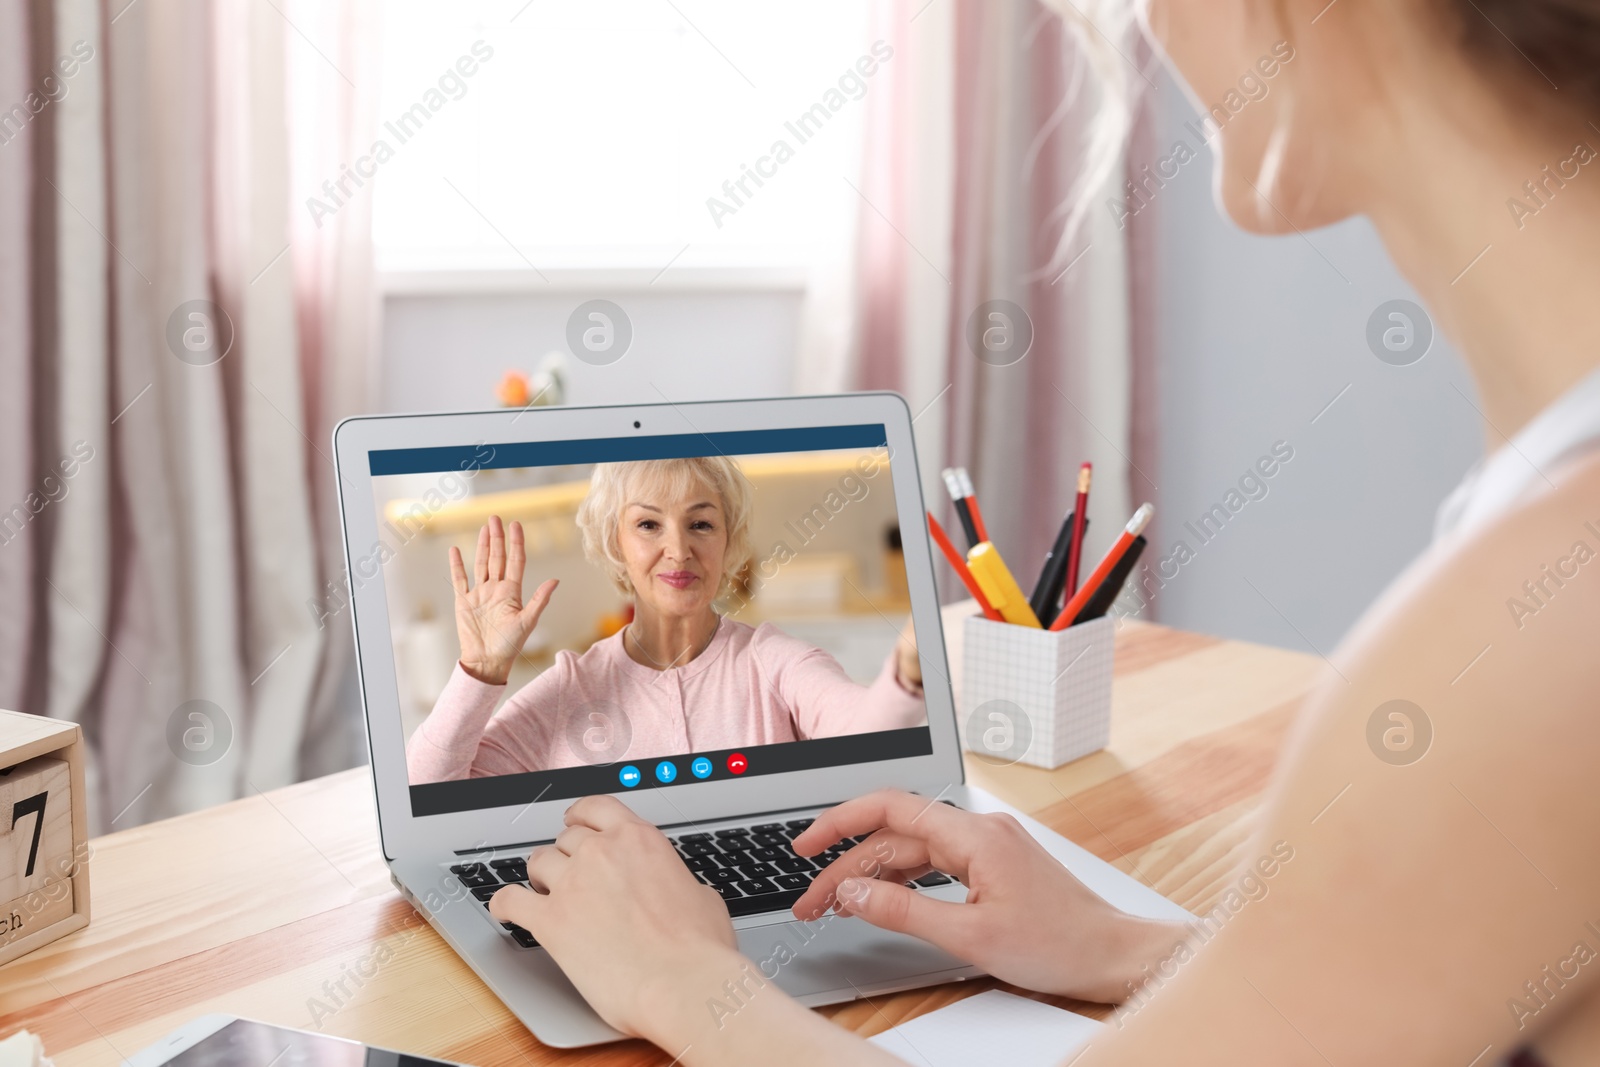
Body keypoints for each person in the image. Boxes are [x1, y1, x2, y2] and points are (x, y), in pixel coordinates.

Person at [485, 1, 1600, 1062]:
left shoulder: (1534, 641)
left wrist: (688, 985)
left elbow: (845, 719)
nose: (1149, 32)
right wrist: (1123, 945)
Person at [405, 456, 926, 782]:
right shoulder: (571, 688)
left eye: (701, 523)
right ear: (615, 542)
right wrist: (479, 673)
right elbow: (429, 795)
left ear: (729, 541)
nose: (678, 550)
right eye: (648, 524)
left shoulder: (774, 661)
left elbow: (864, 734)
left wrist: (905, 674)